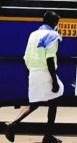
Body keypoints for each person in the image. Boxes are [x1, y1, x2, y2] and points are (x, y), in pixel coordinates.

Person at [4, 11, 64, 143]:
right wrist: (54, 80)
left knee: (34, 104)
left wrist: (29, 74)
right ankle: (48, 136)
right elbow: (49, 59)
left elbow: (26, 57)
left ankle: (13, 123)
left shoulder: (33, 34)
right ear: (54, 22)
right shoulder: (53, 35)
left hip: (33, 71)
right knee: (54, 101)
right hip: (46, 72)